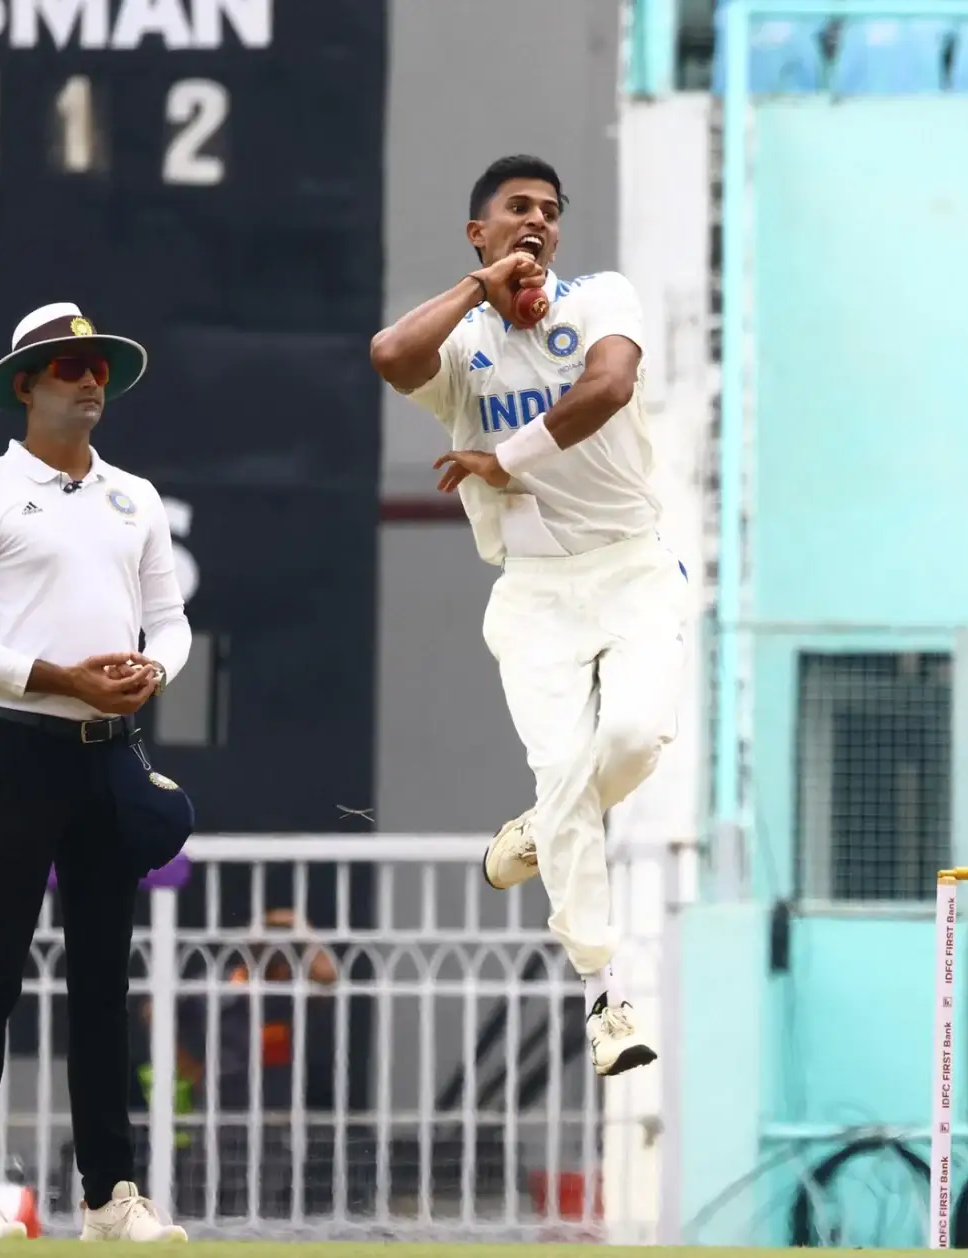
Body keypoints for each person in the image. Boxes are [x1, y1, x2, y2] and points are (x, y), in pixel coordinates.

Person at [371, 156, 686, 1077]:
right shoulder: (464, 344)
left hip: (630, 567)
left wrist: (507, 457)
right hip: (534, 591)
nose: (536, 221)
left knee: (629, 738)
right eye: (516, 210)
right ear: (480, 232)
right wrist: (479, 287)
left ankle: (548, 828)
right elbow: (391, 357)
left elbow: (611, 388)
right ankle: (608, 999)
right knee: (563, 772)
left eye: (550, 209)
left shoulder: (599, 298)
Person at [0, 302, 192, 1241]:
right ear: (25, 384)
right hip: (11, 750)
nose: (89, 379)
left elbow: (170, 616)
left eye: (99, 366)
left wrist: (156, 670)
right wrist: (59, 678)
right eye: (69, 366)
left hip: (103, 756)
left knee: (104, 984)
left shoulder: (135, 497)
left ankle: (112, 1196)